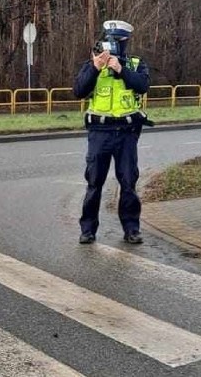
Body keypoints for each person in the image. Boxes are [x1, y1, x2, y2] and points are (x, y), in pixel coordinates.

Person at [73, 20, 151, 244]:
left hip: (126, 132)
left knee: (128, 182)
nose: (112, 46)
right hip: (100, 131)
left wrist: (120, 69)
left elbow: (142, 86)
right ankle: (87, 230)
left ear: (125, 42)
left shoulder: (135, 63)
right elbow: (79, 90)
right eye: (109, 40)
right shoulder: (93, 64)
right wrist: (96, 67)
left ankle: (131, 229)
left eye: (117, 41)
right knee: (94, 183)